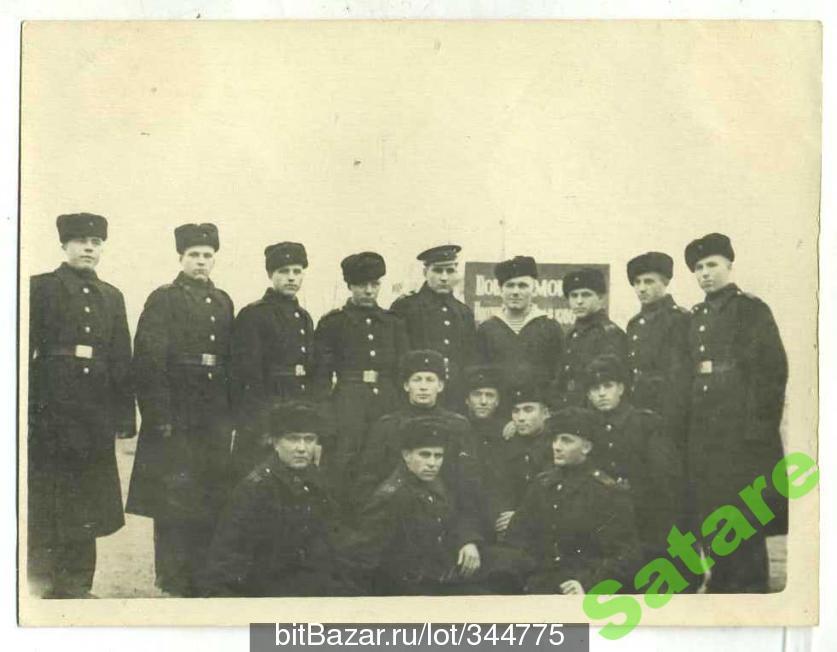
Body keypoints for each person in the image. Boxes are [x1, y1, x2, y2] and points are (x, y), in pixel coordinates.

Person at [27, 213, 135, 598]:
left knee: (88, 498)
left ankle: (78, 583)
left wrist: (124, 417)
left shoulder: (112, 296)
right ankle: (43, 583)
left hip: (95, 413)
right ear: (64, 245)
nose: (89, 248)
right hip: (50, 408)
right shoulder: (40, 287)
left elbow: (121, 358)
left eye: (96, 242)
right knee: (50, 494)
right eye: (80, 241)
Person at [125, 223, 235, 597]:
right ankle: (171, 576)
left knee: (209, 491)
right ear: (181, 258)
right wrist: (160, 415)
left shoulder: (223, 301)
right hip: (177, 412)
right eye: (194, 255)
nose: (201, 261)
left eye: (207, 255)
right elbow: (149, 360)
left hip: (213, 414)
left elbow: (230, 361)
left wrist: (229, 414)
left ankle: (201, 572)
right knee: (173, 496)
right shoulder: (164, 298)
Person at [684, 232, 788, 593]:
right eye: (699, 268)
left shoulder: (750, 309)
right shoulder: (696, 316)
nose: (705, 273)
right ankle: (721, 582)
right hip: (704, 433)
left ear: (729, 265)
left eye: (712, 264)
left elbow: (771, 371)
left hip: (739, 434)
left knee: (744, 511)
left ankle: (750, 586)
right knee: (712, 510)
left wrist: (757, 430)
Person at [339, 416, 526, 595]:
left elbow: (454, 516)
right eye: (425, 455)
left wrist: (467, 541)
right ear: (406, 455)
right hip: (421, 585)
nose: (432, 463)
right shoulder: (391, 497)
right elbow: (364, 557)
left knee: (518, 562)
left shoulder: (434, 482)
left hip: (446, 565)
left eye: (438, 456)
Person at [201, 401, 358, 597]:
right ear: (275, 443)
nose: (302, 448)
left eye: (309, 439)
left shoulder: (318, 482)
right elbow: (226, 563)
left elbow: (334, 543)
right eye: (293, 439)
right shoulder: (256, 490)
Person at [505, 406, 641, 594]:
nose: (557, 447)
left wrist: (587, 584)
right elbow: (517, 537)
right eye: (555, 439)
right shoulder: (543, 485)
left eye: (566, 440)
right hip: (539, 584)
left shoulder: (607, 492)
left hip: (582, 589)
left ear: (586, 447)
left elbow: (626, 556)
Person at [312, 251, 409, 496]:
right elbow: (321, 377)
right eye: (361, 285)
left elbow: (402, 371)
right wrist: (325, 418)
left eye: (374, 285)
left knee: (386, 461)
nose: (368, 291)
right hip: (348, 404)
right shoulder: (333, 323)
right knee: (345, 463)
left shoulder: (393, 323)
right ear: (349, 286)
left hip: (387, 401)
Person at [583, 354, 684, 571]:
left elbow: (664, 480)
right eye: (595, 388)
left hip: (646, 518)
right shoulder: (586, 427)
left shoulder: (646, 424)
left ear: (621, 388)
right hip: (603, 519)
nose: (601, 393)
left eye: (608, 386)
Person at [354, 349, 480, 514]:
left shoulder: (458, 425)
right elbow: (369, 479)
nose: (423, 387)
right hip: (398, 513)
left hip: (447, 512)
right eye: (417, 379)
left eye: (430, 380)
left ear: (440, 386)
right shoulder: (387, 426)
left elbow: (468, 481)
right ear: (406, 385)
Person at [230, 242, 315, 477]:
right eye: (283, 271)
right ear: (270, 275)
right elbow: (247, 373)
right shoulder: (255, 314)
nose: (291, 277)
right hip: (266, 407)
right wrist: (260, 418)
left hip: (297, 402)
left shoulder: (304, 317)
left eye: (297, 271)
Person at [390, 244, 478, 413]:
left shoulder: (463, 312)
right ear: (425, 272)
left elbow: (469, 357)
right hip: (415, 397)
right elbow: (398, 356)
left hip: (454, 396)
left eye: (450, 271)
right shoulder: (406, 307)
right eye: (438, 271)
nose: (444, 277)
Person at [625, 252, 691, 453]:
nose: (642, 288)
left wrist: (672, 416)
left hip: (668, 412)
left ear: (665, 282)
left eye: (649, 281)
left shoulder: (679, 319)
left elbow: (680, 374)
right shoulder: (634, 324)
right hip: (637, 408)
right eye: (637, 282)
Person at [476, 256, 564, 386]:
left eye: (522, 286)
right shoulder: (487, 329)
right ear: (500, 290)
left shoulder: (550, 327)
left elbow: (558, 373)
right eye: (510, 285)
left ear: (534, 289)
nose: (515, 292)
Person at [489, 379, 554, 542]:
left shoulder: (556, 445)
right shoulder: (506, 444)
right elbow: (498, 489)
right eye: (516, 411)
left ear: (545, 413)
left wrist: (521, 517)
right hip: (509, 530)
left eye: (528, 410)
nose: (521, 418)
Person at [552, 267, 627, 407]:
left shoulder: (610, 334)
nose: (579, 301)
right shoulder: (571, 336)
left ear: (601, 297)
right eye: (574, 296)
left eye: (586, 295)